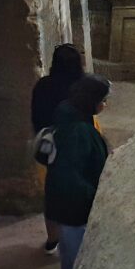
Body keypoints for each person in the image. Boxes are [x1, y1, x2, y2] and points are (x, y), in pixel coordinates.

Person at [44, 75, 111, 269]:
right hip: (76, 211)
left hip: (68, 207)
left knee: (71, 260)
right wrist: (96, 200)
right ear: (90, 101)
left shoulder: (71, 115)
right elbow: (70, 177)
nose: (104, 104)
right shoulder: (78, 132)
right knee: (76, 266)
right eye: (102, 99)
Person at [30, 43, 85, 253]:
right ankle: (78, 237)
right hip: (77, 147)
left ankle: (53, 239)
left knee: (52, 193)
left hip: (49, 147)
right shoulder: (82, 87)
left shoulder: (43, 86)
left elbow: (36, 117)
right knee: (79, 191)